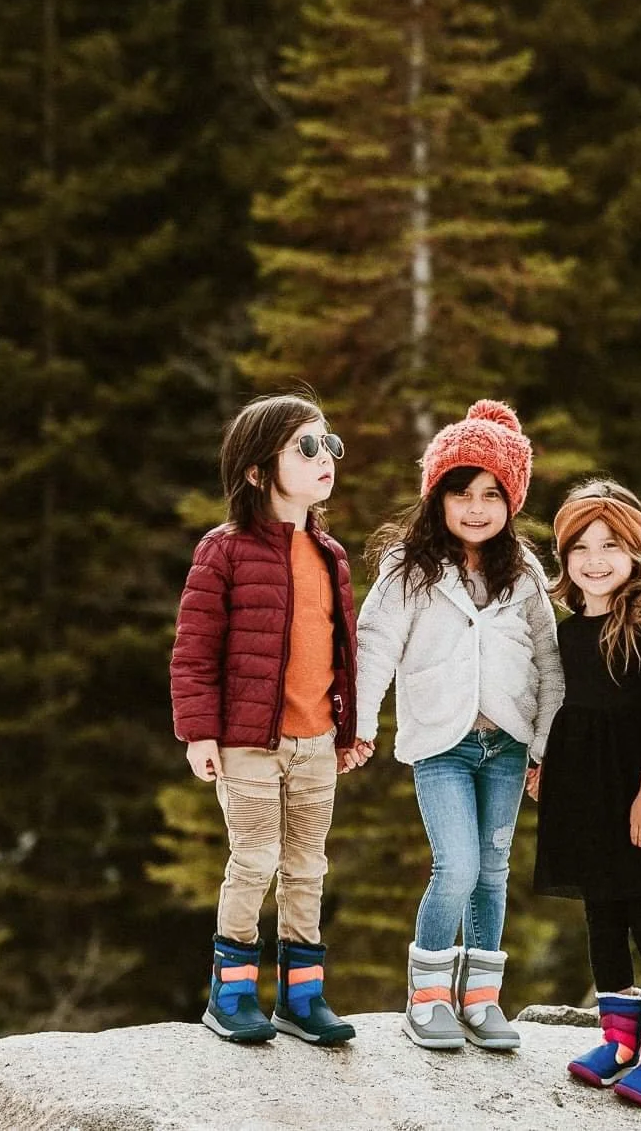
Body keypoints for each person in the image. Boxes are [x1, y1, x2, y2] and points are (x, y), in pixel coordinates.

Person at [355, 399, 565, 1051]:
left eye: (492, 495)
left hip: (506, 743)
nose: (477, 508)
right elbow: (374, 645)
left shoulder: (524, 572)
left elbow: (550, 664)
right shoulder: (408, 567)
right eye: (462, 492)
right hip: (442, 743)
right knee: (456, 867)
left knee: (494, 870)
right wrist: (360, 723)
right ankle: (426, 996)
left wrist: (545, 750)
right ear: (437, 495)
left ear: (512, 502)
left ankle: (481, 999)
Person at [169, 391, 372, 1045]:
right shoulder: (224, 551)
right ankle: (230, 995)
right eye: (305, 448)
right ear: (258, 471)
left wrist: (347, 730)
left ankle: (301, 997)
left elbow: (343, 651)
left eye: (329, 445)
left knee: (308, 865)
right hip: (246, 742)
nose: (325, 458)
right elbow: (194, 649)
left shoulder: (330, 555)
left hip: (315, 742)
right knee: (254, 858)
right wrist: (199, 731)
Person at [534, 479, 641, 1107]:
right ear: (564, 557)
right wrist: (544, 765)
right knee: (600, 915)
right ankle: (619, 1040)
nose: (595, 559)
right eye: (580, 547)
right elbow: (563, 708)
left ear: (635, 553)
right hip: (583, 791)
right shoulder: (569, 631)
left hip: (640, 794)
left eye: (610, 545)